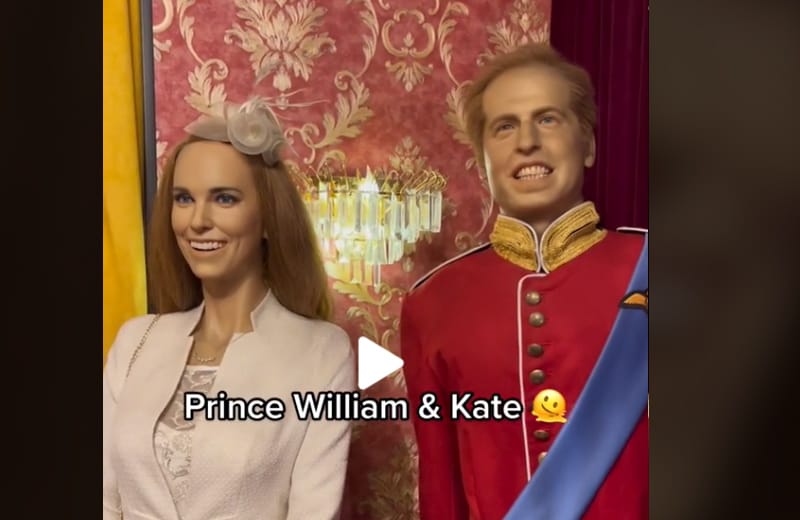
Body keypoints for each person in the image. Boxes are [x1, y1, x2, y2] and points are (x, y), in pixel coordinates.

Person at [400, 43, 648, 519]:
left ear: (589, 145)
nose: (527, 141)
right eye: (505, 126)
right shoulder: (433, 303)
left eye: (548, 119)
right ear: (482, 160)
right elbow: (441, 490)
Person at [102, 100, 355, 520]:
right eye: (184, 199)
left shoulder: (321, 352)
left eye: (224, 198)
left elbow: (314, 510)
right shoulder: (135, 341)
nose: (197, 220)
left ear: (268, 217)